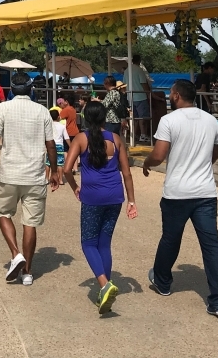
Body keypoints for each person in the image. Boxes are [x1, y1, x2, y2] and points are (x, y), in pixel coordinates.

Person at [143, 79, 218, 318]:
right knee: (211, 245)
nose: (170, 96)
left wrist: (147, 162)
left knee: (170, 239)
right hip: (205, 192)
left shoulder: (169, 120)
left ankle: (162, 280)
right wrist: (203, 166)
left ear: (177, 96)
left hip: (177, 192)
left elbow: (159, 155)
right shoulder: (210, 120)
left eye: (171, 93)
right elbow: (216, 150)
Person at [64, 100, 138, 313]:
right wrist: (132, 201)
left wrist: (75, 187)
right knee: (104, 243)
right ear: (105, 118)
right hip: (115, 196)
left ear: (85, 118)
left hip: (92, 197)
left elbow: (67, 169)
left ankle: (105, 285)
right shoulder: (115, 139)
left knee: (88, 243)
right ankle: (104, 289)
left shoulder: (81, 138)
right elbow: (127, 173)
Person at [0, 80, 60, 287]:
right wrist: (54, 171)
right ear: (31, 90)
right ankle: (27, 272)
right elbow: (50, 144)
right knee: (30, 223)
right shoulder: (42, 111)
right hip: (35, 175)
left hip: (9, 173)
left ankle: (15, 254)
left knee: (3, 213)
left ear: (11, 90)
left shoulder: (2, 109)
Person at [129, 55, 153, 143]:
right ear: (139, 60)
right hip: (140, 96)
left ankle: (134, 134)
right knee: (143, 117)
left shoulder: (127, 70)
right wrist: (149, 94)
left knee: (134, 117)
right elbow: (143, 84)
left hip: (130, 97)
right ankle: (143, 135)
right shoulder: (139, 70)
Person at [45, 109, 70, 185]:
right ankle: (60, 180)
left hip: (50, 145)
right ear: (58, 117)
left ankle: (46, 178)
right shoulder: (62, 126)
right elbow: (66, 137)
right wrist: (71, 146)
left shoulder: (48, 126)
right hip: (59, 146)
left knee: (48, 163)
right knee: (60, 163)